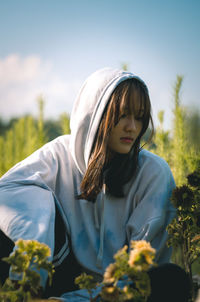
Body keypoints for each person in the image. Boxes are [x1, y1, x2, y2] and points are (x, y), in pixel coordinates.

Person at [0, 67, 176, 297]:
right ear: (95, 115)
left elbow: (142, 270)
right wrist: (36, 247)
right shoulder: (59, 155)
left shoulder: (154, 174)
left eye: (140, 117)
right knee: (29, 197)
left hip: (118, 291)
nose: (132, 127)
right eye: (123, 114)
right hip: (61, 277)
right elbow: (7, 192)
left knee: (172, 279)